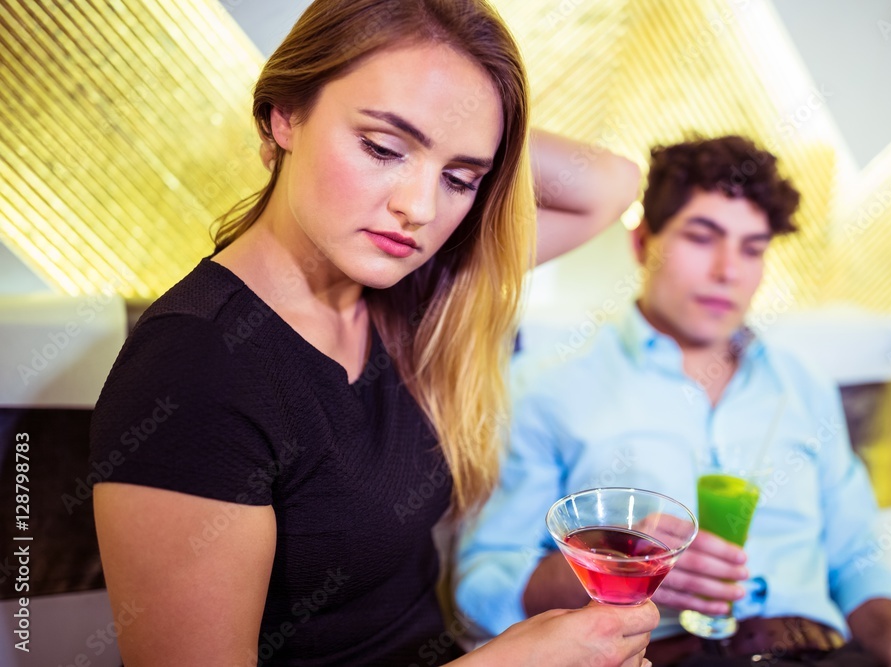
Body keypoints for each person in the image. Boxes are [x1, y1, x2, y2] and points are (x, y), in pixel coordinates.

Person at [88, 1, 659, 665]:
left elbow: (611, 184)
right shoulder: (193, 371)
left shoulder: (404, 290)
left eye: (459, 178)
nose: (417, 209)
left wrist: (465, 112)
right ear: (284, 114)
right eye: (384, 148)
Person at [454, 136, 891, 667]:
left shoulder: (804, 387)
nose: (728, 271)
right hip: (658, 654)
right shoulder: (547, 385)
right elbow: (482, 586)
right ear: (642, 243)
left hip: (824, 654)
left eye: (752, 248)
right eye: (703, 237)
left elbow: (861, 561)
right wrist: (615, 571)